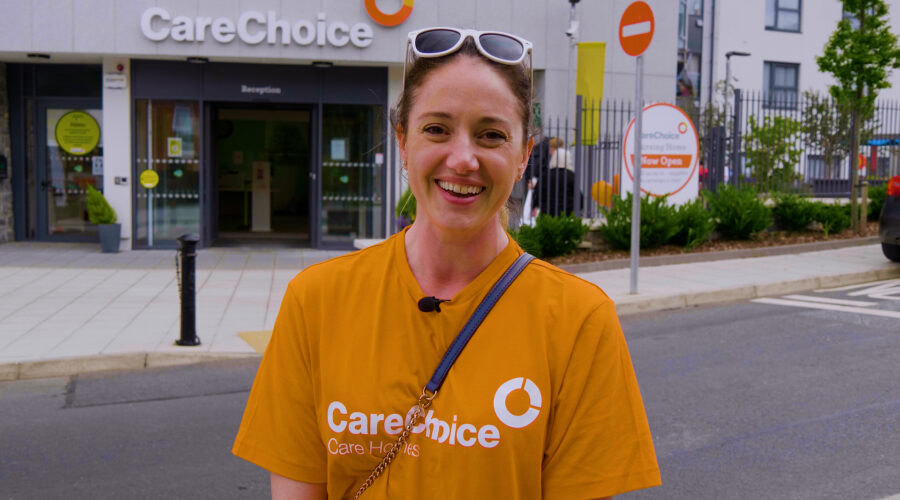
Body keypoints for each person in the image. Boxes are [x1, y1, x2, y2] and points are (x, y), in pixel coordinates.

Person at [233, 27, 661, 499]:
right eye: (436, 129)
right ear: (402, 141)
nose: (463, 159)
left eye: (491, 135)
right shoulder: (315, 301)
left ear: (523, 156)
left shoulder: (578, 320)